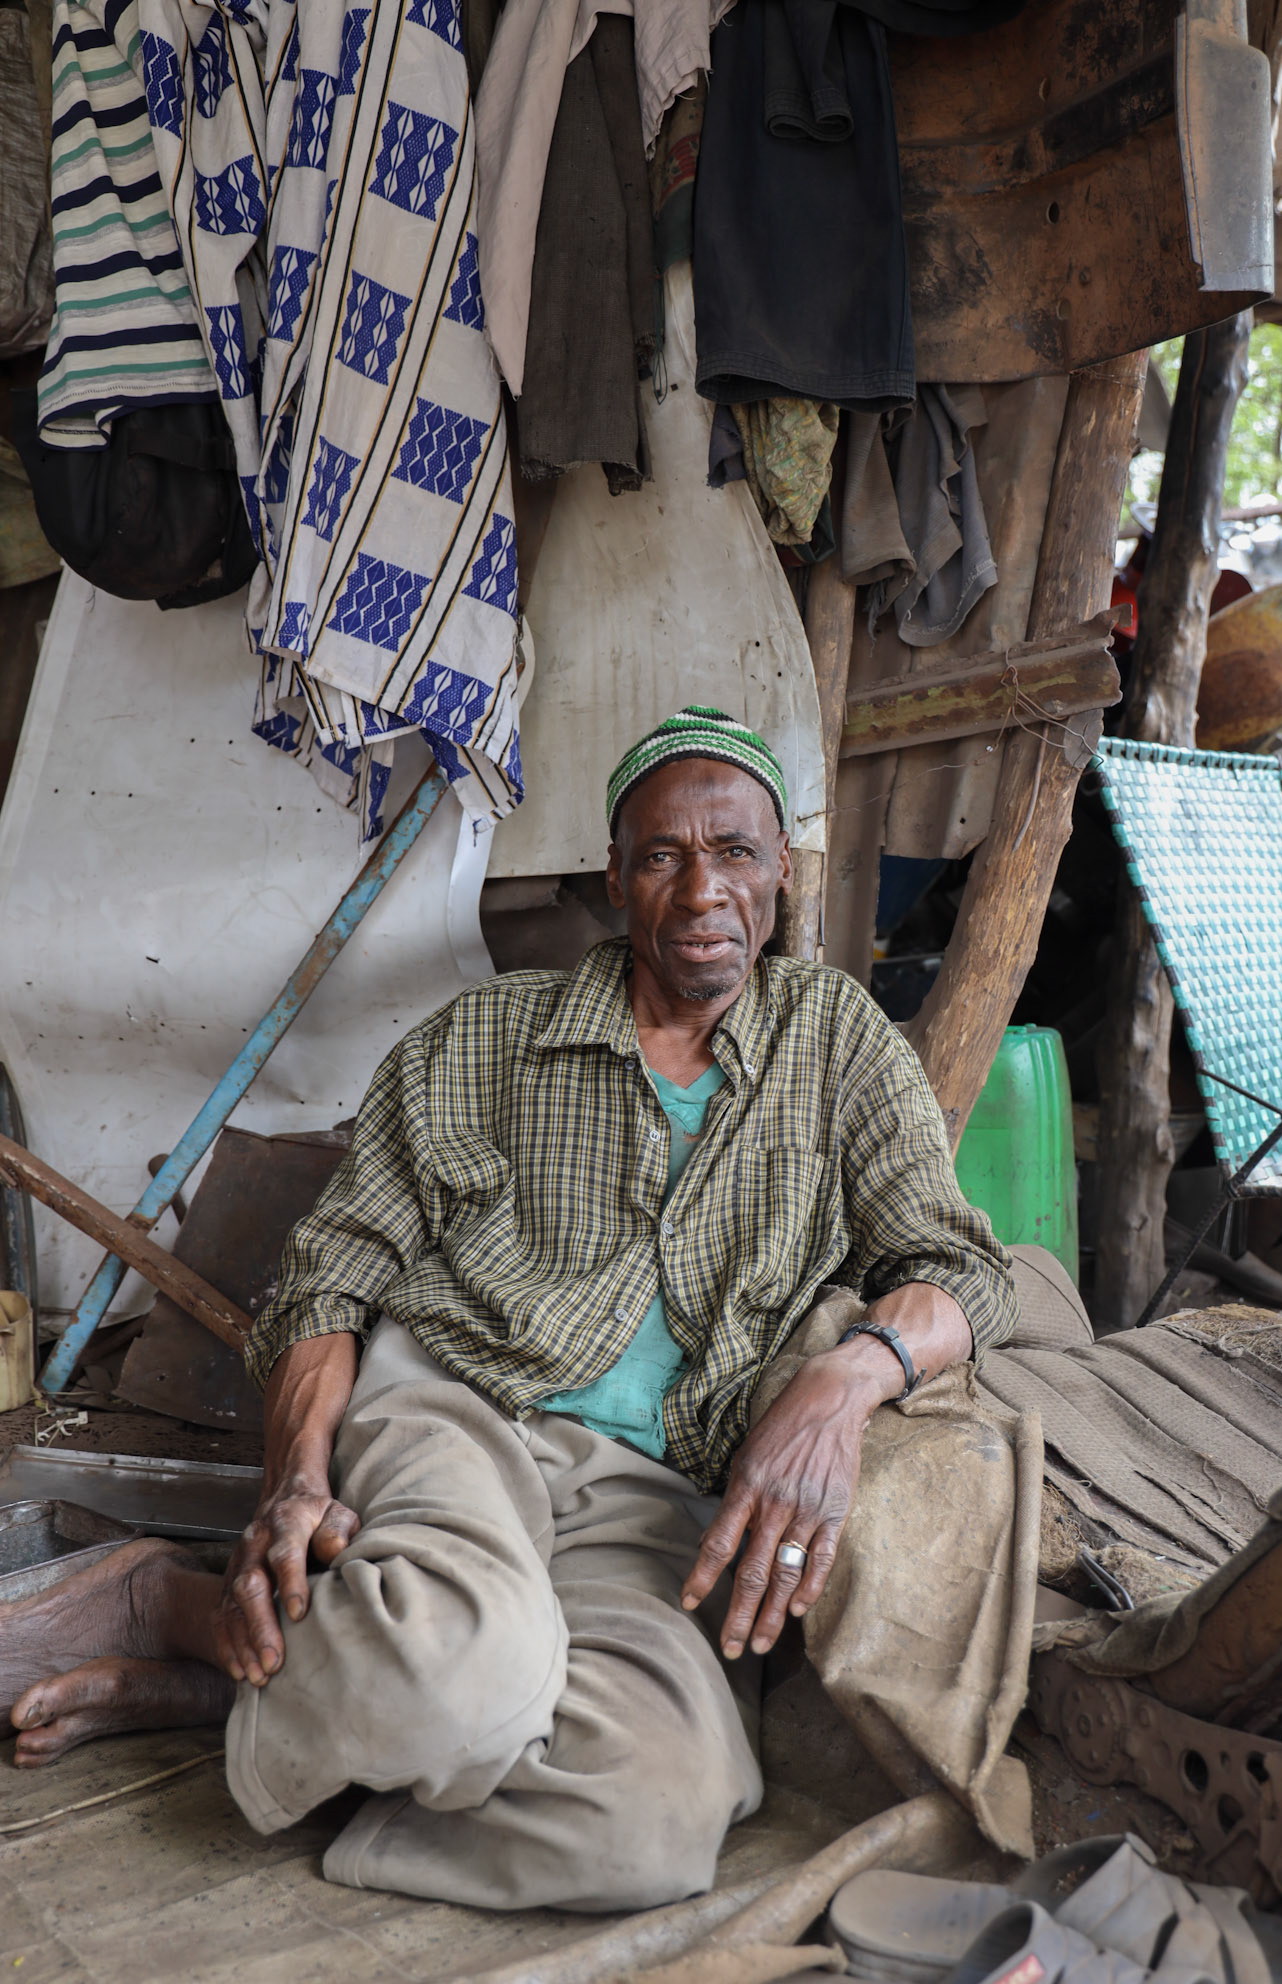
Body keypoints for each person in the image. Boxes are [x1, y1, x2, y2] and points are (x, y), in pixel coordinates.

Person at [1, 704, 1015, 1911]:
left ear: (780, 872)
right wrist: (295, 1480)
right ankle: (188, 1606)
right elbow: (333, 1271)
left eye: (736, 851)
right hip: (462, 1411)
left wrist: (846, 1381)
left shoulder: (837, 1041)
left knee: (655, 1818)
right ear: (615, 879)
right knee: (464, 1671)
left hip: (657, 1499)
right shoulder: (485, 1039)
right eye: (663, 855)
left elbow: (961, 1267)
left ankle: (255, 1687)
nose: (703, 890)